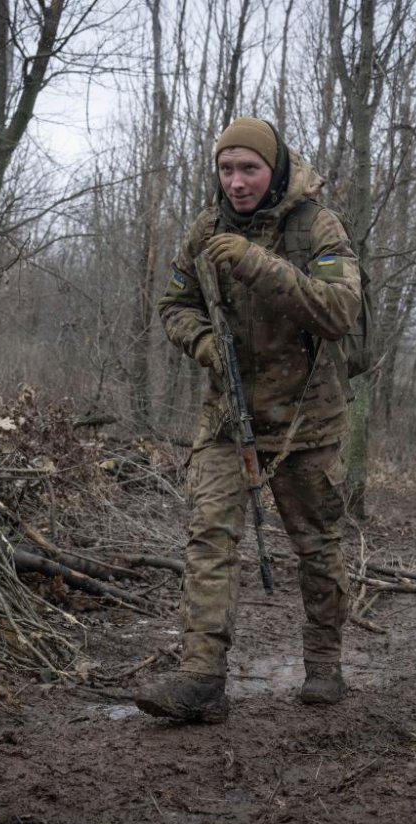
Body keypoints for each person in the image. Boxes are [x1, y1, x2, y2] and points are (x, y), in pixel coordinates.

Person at [134, 117, 362, 723]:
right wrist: (203, 342)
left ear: (274, 169)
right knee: (209, 536)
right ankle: (202, 679)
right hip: (227, 414)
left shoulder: (316, 225)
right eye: (226, 169)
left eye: (249, 169)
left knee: (317, 544)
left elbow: (340, 310)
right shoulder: (206, 228)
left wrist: (257, 263)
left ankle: (324, 665)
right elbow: (174, 305)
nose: (236, 182)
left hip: (306, 420)